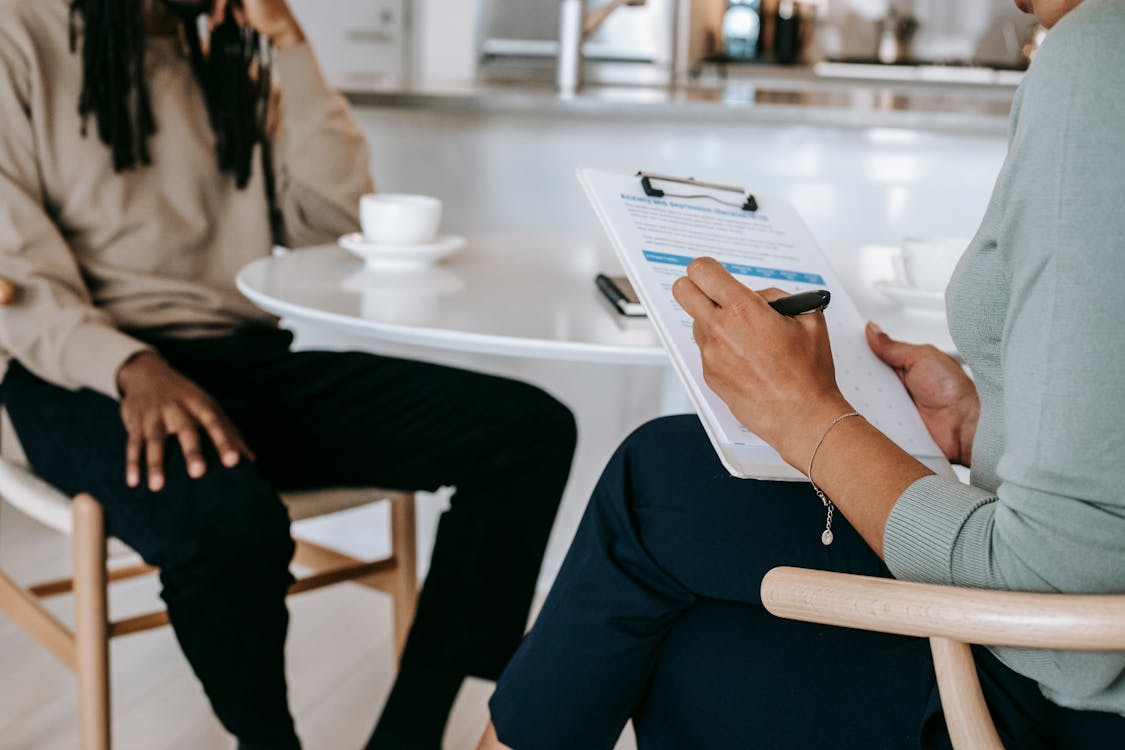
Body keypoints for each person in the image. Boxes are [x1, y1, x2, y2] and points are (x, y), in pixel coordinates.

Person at [478, 0, 1125, 747]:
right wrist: (982, 424)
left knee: (660, 485)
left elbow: (1062, 612)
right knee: (681, 572)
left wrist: (805, 416)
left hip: (1064, 707)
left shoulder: (1100, 49)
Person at [0, 1, 576, 748]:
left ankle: (411, 730)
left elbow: (331, 221)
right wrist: (128, 365)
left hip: (239, 360)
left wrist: (292, 48)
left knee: (525, 431)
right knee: (229, 525)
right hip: (78, 370)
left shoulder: (226, 56)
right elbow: (13, 272)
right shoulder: (21, 32)